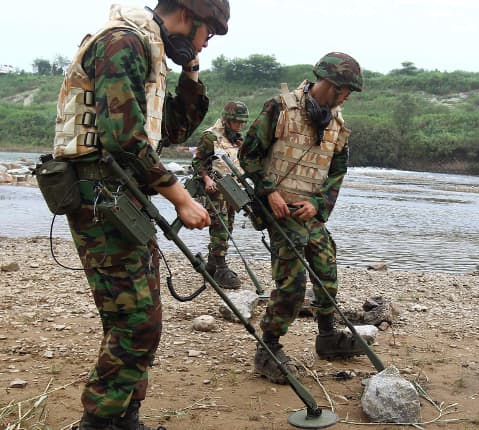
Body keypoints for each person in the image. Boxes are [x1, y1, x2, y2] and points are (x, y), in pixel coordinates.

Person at [51, 1, 229, 429]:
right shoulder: (123, 42)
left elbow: (173, 130)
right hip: (100, 195)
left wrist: (190, 71)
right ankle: (98, 422)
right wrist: (179, 198)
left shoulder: (149, 50)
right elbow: (123, 137)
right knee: (136, 323)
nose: (206, 43)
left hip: (121, 195)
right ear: (187, 16)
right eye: (208, 33)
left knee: (136, 319)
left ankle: (125, 417)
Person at [238, 52, 366, 384]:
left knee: (327, 273)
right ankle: (268, 350)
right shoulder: (279, 108)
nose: (347, 97)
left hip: (310, 213)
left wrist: (318, 204)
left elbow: (337, 172)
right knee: (292, 284)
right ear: (332, 84)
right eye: (346, 90)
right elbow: (248, 154)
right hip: (279, 210)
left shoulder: (337, 124)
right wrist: (269, 192)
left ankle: (327, 337)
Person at [191, 101, 249, 289]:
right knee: (220, 227)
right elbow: (197, 163)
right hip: (216, 190)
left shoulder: (236, 139)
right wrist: (207, 180)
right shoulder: (210, 137)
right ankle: (221, 268)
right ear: (227, 120)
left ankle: (212, 265)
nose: (240, 125)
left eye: (242, 122)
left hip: (233, 190)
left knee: (228, 226)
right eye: (237, 122)